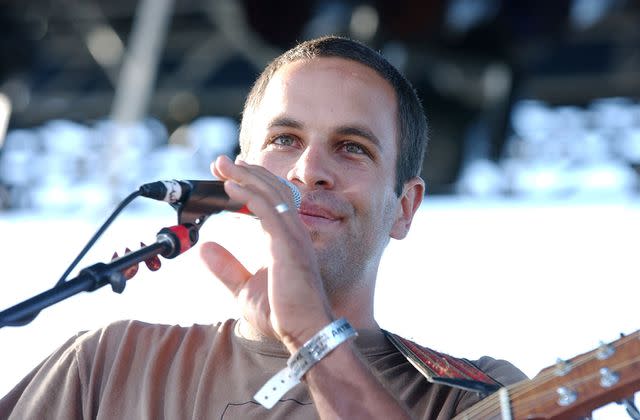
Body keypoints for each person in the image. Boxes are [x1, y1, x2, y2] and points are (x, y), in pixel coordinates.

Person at [0, 36, 526, 419]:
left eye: (352, 148)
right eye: (285, 141)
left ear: (405, 207)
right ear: (239, 176)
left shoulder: (477, 398)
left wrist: (312, 335)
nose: (307, 171)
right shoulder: (107, 365)